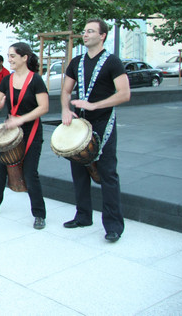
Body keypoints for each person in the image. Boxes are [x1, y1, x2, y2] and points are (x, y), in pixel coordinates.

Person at [61, 18, 130, 243]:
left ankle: (113, 226)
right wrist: (65, 109)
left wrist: (94, 105)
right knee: (79, 173)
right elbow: (66, 90)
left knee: (108, 174)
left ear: (102, 36)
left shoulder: (113, 62)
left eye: (90, 31)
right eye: (84, 30)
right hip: (80, 124)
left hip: (103, 123)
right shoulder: (77, 61)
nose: (85, 34)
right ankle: (83, 216)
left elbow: (124, 94)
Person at [0, 43, 48, 230]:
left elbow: (44, 107)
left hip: (31, 131)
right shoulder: (7, 80)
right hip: (11, 133)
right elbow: (0, 103)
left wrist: (21, 119)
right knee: (0, 170)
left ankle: (39, 214)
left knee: (30, 173)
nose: (9, 59)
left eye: (12, 56)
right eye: (8, 56)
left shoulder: (36, 80)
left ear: (24, 58)